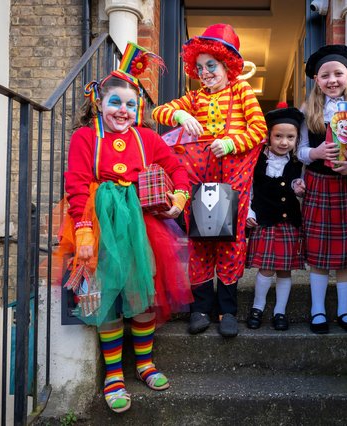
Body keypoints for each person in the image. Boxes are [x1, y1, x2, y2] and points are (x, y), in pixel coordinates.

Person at [55, 42, 192, 413]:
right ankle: (114, 373)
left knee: (143, 293)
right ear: (99, 102)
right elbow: (77, 182)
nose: (124, 111)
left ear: (140, 109)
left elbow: (178, 169)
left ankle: (145, 364)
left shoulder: (146, 138)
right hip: (99, 225)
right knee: (108, 298)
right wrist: (84, 230)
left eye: (131, 105)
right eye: (116, 102)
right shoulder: (86, 136)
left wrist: (178, 200)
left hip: (141, 226)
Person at [152, 23, 267, 337]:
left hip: (234, 182)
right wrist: (178, 115)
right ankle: (200, 308)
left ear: (227, 65)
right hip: (198, 181)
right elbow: (159, 111)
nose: (204, 72)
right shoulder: (193, 98)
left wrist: (231, 142)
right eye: (199, 66)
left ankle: (227, 311)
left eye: (211, 65)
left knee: (230, 243)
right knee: (200, 242)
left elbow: (259, 132)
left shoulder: (242, 91)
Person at [297, 44, 347, 335]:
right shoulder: (308, 110)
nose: (332, 80)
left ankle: (344, 311)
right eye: (325, 75)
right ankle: (318, 310)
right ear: (316, 80)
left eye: (338, 74)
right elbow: (299, 151)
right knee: (318, 253)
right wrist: (315, 154)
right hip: (319, 185)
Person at [245, 104, 306, 331]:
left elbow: (298, 184)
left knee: (285, 269)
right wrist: (249, 212)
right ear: (269, 136)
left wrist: (300, 187)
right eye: (278, 136)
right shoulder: (258, 161)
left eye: (290, 137)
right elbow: (249, 189)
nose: (284, 142)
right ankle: (257, 307)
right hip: (265, 221)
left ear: (297, 138)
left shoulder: (298, 163)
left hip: (289, 223)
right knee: (266, 268)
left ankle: (280, 311)